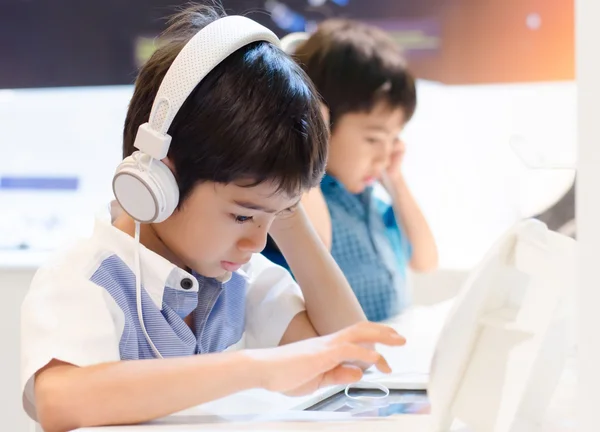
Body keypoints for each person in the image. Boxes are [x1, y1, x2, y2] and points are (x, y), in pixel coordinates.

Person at [20, 6, 405, 432]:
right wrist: (254, 367)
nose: (257, 243)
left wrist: (285, 207)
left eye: (273, 218)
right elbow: (60, 400)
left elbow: (348, 357)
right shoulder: (87, 275)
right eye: (242, 215)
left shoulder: (240, 279)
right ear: (159, 178)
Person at [263, 21, 439, 322]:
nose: (385, 154)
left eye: (394, 138)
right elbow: (318, 241)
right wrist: (308, 143)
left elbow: (425, 260)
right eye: (373, 139)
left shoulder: (373, 205)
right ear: (320, 121)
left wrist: (395, 181)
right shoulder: (300, 198)